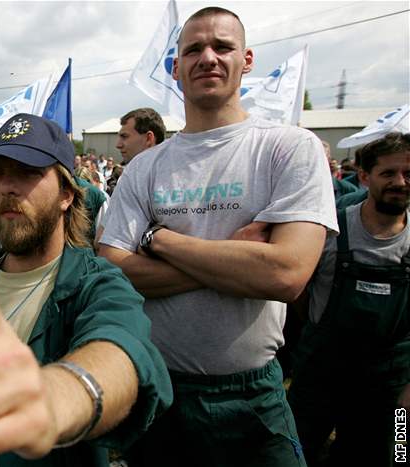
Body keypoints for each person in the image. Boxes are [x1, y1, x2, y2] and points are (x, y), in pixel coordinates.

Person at [99, 7, 338, 466]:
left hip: (253, 395)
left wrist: (161, 240)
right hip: (163, 391)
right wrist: (239, 262)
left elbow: (287, 275)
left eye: (222, 47)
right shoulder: (145, 167)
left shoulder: (289, 147)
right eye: (193, 49)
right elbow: (114, 268)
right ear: (176, 68)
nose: (208, 57)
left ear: (246, 60)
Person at [0, 113, 172, 467]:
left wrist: (57, 395)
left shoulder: (97, 283)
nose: (8, 187)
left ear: (66, 194)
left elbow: (121, 353)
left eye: (27, 172)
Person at [288, 132, 410, 467]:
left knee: (393, 452)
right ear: (365, 176)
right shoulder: (329, 229)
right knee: (296, 451)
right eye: (389, 173)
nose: (400, 182)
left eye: (408, 174)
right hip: (321, 369)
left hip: (390, 379)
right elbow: (298, 291)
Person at [93, 108, 166, 249]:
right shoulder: (129, 177)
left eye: (124, 136)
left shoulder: (137, 178)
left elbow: (102, 241)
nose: (118, 144)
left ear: (149, 138)